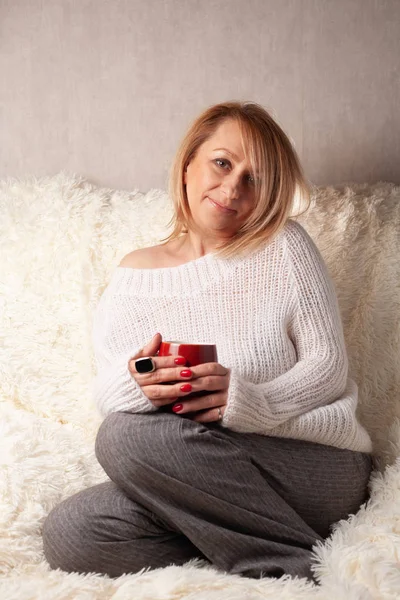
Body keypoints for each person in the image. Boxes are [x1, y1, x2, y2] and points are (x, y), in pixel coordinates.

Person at [42, 101, 373, 582]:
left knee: (123, 438)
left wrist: (249, 402)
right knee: (72, 533)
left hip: (309, 462)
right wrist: (140, 385)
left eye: (254, 178)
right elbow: (109, 394)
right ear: (188, 163)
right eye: (222, 162)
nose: (233, 187)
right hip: (195, 470)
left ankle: (290, 568)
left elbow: (327, 367)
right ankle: (256, 536)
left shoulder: (285, 246)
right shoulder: (133, 276)